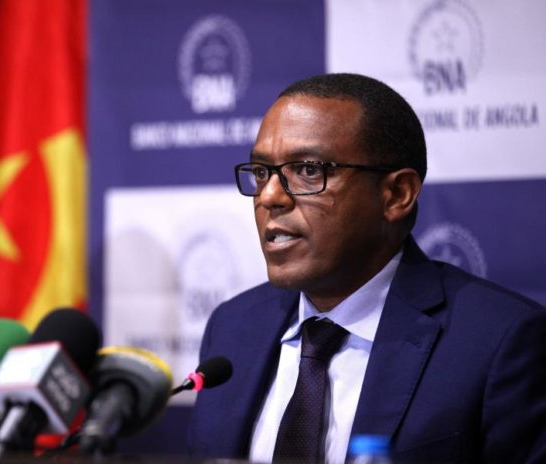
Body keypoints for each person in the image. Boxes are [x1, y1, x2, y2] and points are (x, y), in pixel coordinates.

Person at [186, 73, 546, 463]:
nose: (269, 196)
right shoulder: (232, 327)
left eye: (308, 171)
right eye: (261, 173)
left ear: (396, 194)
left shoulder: (500, 342)